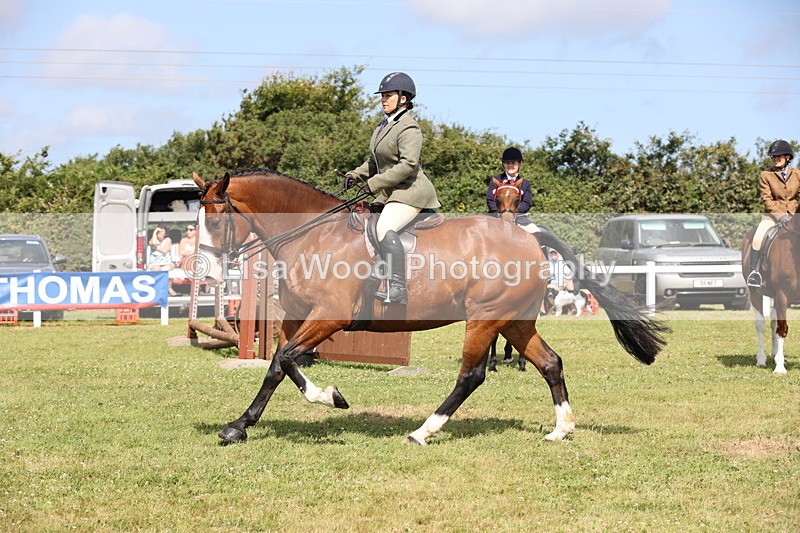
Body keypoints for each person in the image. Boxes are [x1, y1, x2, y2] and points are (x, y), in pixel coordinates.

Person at [345, 72, 441, 305]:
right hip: (392, 192)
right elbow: (373, 162)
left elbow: (407, 165)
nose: (383, 100)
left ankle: (398, 288)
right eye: (383, 96)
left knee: (385, 226)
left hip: (411, 192)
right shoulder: (383, 126)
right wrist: (355, 175)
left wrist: (373, 184)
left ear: (404, 98)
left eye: (388, 95)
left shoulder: (409, 128)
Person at [746, 140, 799, 288]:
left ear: (788, 157)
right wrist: (781, 216)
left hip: (795, 216)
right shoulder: (766, 175)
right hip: (772, 216)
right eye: (773, 156)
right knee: (758, 238)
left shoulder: (797, 174)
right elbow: (767, 199)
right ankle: (754, 274)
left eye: (778, 156)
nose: (775, 159)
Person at [486, 147, 539, 233]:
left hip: (519, 218)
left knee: (538, 233)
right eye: (507, 163)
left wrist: (512, 214)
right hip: (495, 217)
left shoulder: (525, 183)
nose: (510, 165)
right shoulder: (496, 180)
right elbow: (490, 199)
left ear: (519, 164)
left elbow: (527, 203)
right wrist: (501, 214)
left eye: (513, 163)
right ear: (503, 164)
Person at [148, 226, 177, 295]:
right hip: (154, 262)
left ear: (165, 233)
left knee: (168, 268)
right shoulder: (152, 240)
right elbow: (154, 243)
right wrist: (155, 232)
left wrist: (155, 248)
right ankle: (158, 289)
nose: (160, 233)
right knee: (157, 269)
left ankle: (169, 288)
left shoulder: (167, 240)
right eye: (158, 232)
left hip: (166, 262)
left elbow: (165, 250)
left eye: (162, 231)